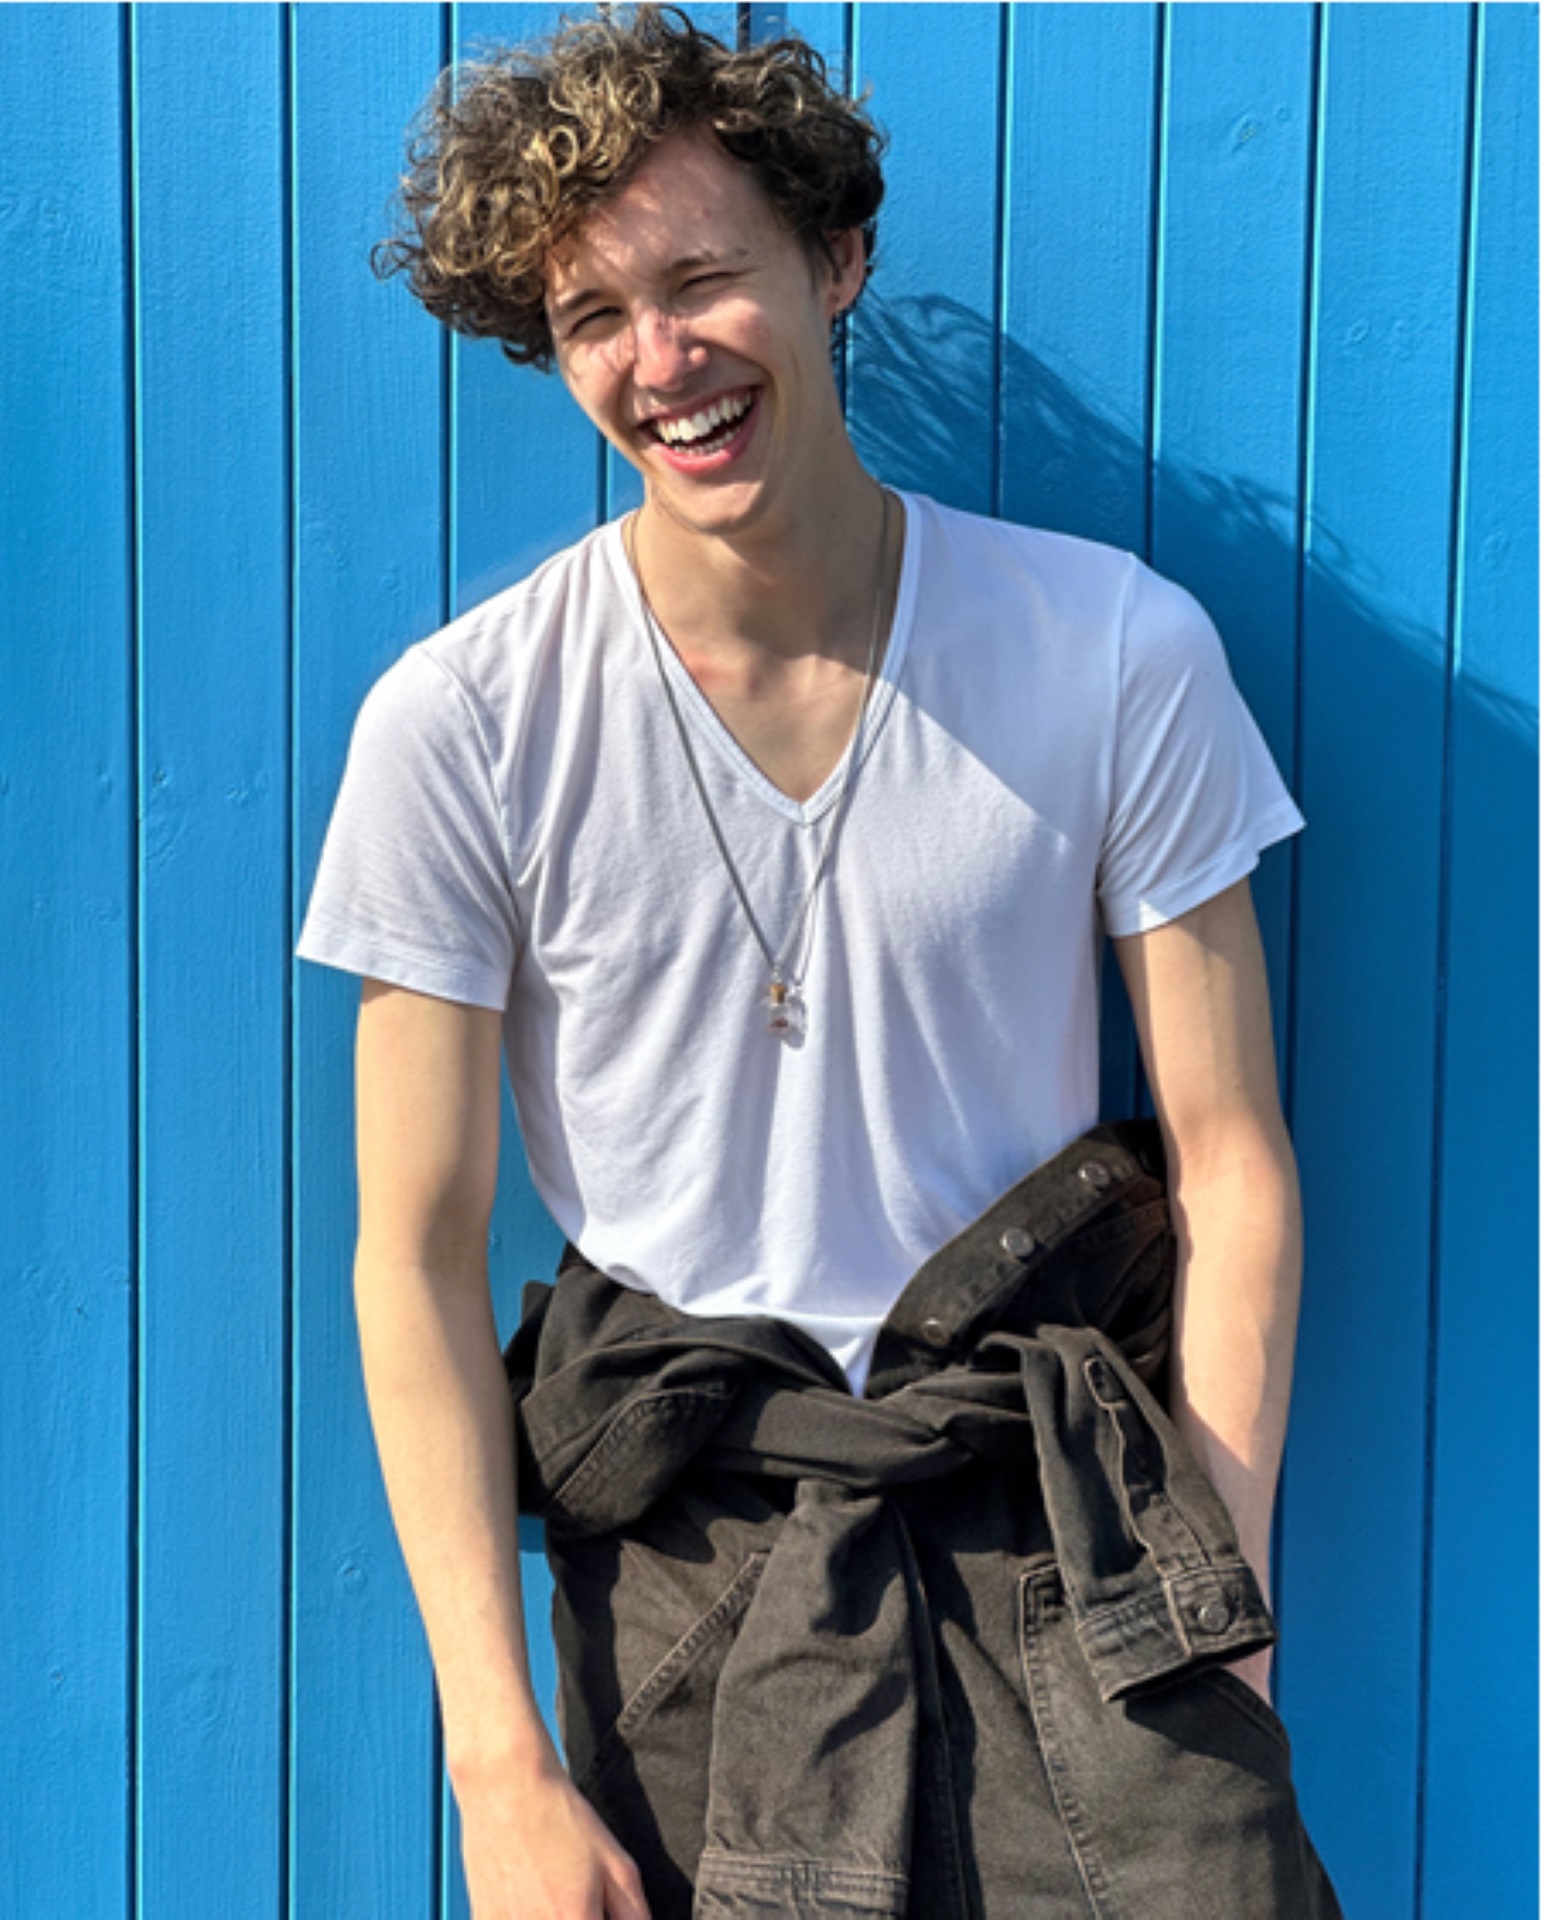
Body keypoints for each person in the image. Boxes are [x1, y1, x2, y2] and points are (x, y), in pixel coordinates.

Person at [296, 8, 1338, 1916]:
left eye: (704, 280)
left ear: (835, 259)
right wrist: (499, 1763)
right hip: (692, 1588)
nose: (659, 360)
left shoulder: (1113, 650)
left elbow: (1235, 1153)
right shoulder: (458, 727)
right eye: (595, 315)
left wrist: (1226, 1596)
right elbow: (415, 1254)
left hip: (1076, 1543)